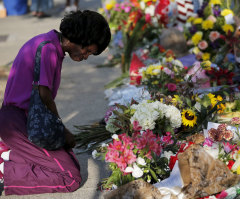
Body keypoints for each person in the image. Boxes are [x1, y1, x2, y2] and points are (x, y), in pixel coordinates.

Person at [0, 10, 111, 195]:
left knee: (69, 159)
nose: (85, 57)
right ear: (79, 37)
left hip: (23, 120)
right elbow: (44, 94)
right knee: (70, 178)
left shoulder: (49, 44)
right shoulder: (48, 49)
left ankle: (13, 154)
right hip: (18, 123)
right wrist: (63, 130)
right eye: (88, 51)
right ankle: (6, 169)